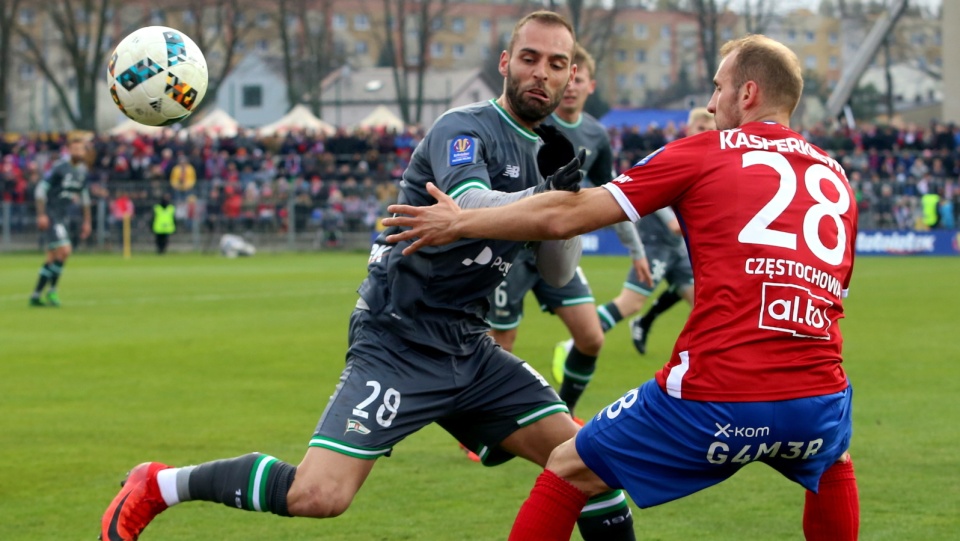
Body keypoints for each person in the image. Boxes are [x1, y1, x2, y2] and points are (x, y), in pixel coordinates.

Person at [99, 12, 635, 541]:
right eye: (530, 58)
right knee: (317, 496)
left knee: (588, 468)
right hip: (398, 338)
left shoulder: (550, 157)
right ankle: (160, 485)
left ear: (569, 78)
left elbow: (557, 267)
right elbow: (467, 205)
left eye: (556, 64)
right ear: (505, 63)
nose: (541, 72)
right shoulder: (465, 127)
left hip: (468, 346)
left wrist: (565, 214)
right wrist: (545, 200)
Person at [384, 34, 860, 541]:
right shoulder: (836, 177)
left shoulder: (705, 151)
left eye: (717, 88)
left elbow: (567, 216)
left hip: (716, 393)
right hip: (818, 396)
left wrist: (461, 222)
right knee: (833, 458)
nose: (709, 102)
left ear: (746, 94)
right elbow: (829, 300)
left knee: (568, 466)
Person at [484, 43, 650, 424]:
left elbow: (615, 196)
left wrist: (636, 250)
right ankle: (489, 428)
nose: (570, 87)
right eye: (565, 78)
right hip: (513, 251)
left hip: (559, 247)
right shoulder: (530, 119)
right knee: (502, 343)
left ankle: (568, 411)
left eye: (576, 78)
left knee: (591, 337)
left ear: (587, 84)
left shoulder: (596, 135)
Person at [625, 107, 716, 355]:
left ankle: (650, 326)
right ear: (688, 129)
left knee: (703, 298)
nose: (706, 134)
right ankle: (576, 344)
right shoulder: (673, 156)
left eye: (710, 130)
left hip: (678, 245)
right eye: (700, 128)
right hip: (656, 241)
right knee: (630, 303)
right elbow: (668, 211)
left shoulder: (708, 160)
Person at [29, 132, 91, 308]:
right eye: (75, 149)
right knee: (65, 250)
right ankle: (52, 291)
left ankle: (35, 295)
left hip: (63, 216)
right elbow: (40, 190)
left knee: (52, 257)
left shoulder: (82, 172)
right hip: (51, 214)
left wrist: (87, 221)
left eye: (81, 149)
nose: (79, 152)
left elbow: (85, 198)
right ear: (69, 150)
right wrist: (41, 214)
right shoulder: (59, 168)